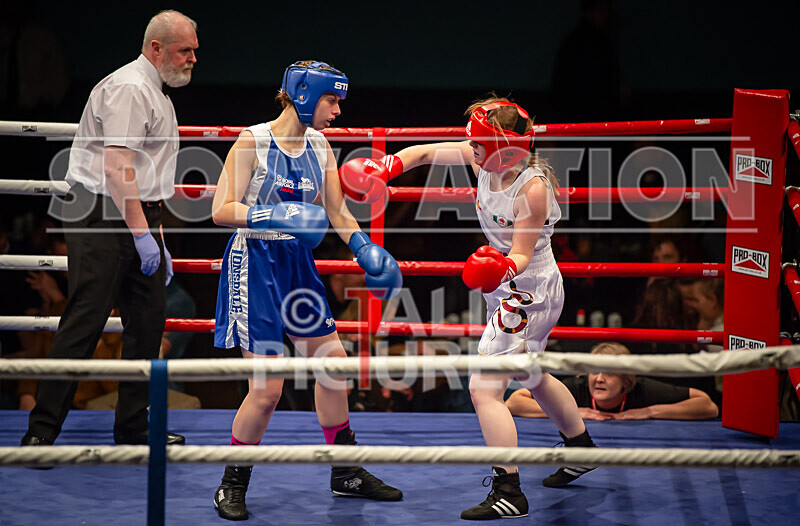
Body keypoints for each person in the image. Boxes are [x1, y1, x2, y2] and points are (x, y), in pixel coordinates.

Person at [339, 95, 597, 520]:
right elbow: (424, 153)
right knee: (530, 372)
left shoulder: (531, 189)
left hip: (526, 290)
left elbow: (521, 254)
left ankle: (509, 490)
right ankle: (582, 448)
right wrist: (387, 166)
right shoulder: (485, 158)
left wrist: (498, 268)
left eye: (478, 143)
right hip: (511, 286)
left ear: (503, 150)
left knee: (483, 388)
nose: (471, 148)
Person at [211, 60, 403, 521]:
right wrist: (271, 214)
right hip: (254, 263)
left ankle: (345, 471)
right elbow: (220, 209)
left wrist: (363, 248)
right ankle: (231, 483)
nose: (337, 110)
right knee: (267, 390)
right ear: (303, 95)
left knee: (334, 365)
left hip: (296, 263)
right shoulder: (253, 141)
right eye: (331, 100)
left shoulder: (320, 146)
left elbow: (336, 210)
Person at [20, 10, 198, 449]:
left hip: (136, 214)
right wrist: (141, 234)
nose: (193, 58)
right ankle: (41, 431)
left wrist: (153, 236)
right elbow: (118, 168)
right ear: (156, 48)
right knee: (86, 319)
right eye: (185, 50)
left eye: (194, 50)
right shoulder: (130, 88)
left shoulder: (156, 93)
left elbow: (145, 178)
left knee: (147, 323)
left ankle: (133, 426)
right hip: (102, 215)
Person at [505, 342, 719, 420]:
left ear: (625, 379)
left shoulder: (642, 389)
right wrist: (571, 412)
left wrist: (650, 411)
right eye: (594, 371)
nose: (599, 378)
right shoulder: (577, 388)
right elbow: (514, 402)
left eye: (608, 373)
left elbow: (707, 406)